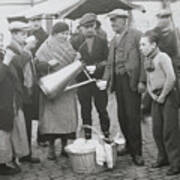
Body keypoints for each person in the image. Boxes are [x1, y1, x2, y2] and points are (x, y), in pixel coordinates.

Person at [97, 9, 146, 166]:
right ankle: (129, 145)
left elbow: (144, 60)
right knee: (122, 116)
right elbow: (110, 63)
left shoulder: (137, 35)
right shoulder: (113, 40)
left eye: (115, 20)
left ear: (124, 20)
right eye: (111, 21)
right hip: (118, 82)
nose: (112, 24)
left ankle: (137, 152)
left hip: (131, 81)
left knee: (133, 117)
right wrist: (105, 80)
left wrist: (142, 81)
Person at [36, 22, 79, 160]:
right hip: (53, 86)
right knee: (52, 121)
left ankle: (65, 146)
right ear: (54, 34)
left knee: (67, 119)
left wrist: (77, 58)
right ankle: (51, 148)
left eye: (67, 33)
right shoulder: (45, 47)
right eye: (62, 33)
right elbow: (36, 64)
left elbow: (73, 60)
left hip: (67, 86)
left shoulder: (68, 45)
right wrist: (48, 64)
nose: (65, 36)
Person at [140, 31, 180, 176]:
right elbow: (149, 81)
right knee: (157, 129)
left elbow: (171, 78)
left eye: (144, 44)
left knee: (170, 131)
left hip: (168, 96)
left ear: (153, 45)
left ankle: (176, 163)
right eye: (140, 44)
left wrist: (163, 95)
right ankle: (163, 158)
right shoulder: (147, 59)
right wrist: (152, 95)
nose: (141, 47)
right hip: (156, 97)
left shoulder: (162, 57)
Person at [7, 21, 39, 164]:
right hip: (19, 93)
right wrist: (27, 55)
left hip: (27, 92)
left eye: (26, 33)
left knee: (27, 123)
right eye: (22, 34)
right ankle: (21, 154)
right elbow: (19, 69)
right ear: (13, 34)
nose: (25, 36)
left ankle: (26, 153)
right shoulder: (11, 49)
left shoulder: (21, 49)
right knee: (20, 125)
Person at [74, 13, 110, 139]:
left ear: (95, 26)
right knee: (85, 110)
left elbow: (108, 60)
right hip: (83, 83)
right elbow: (72, 61)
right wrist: (80, 64)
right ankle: (87, 136)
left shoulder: (102, 41)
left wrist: (97, 67)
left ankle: (106, 134)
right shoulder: (75, 42)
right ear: (81, 28)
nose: (89, 29)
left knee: (102, 110)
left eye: (91, 26)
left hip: (98, 81)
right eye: (86, 26)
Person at [142, 9, 180, 115]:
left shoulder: (175, 33)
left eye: (166, 18)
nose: (164, 20)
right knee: (155, 91)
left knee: (172, 90)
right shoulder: (153, 33)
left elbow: (176, 52)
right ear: (158, 19)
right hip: (156, 66)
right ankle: (147, 110)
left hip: (171, 66)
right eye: (161, 18)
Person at [0, 40, 20, 175]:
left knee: (6, 132)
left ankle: (6, 160)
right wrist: (6, 62)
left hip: (6, 101)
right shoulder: (4, 58)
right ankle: (1, 165)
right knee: (2, 134)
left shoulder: (2, 53)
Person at [28, 16, 48, 146]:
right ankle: (28, 139)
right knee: (29, 108)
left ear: (40, 21)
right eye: (33, 20)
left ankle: (41, 137)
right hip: (29, 75)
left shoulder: (45, 36)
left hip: (40, 75)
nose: (35, 23)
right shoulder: (27, 34)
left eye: (37, 20)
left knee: (41, 107)